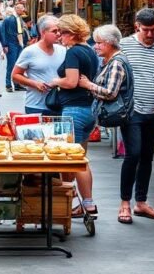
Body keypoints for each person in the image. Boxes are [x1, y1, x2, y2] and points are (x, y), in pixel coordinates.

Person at [119, 7, 154, 221]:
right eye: (146, 30)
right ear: (136, 27)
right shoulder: (124, 46)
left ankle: (140, 201)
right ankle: (124, 203)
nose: (150, 34)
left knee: (147, 156)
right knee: (132, 154)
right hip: (132, 110)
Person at [78, 24, 134, 223]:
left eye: (99, 43)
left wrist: (87, 85)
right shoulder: (110, 60)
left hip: (121, 114)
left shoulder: (117, 63)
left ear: (110, 43)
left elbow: (111, 92)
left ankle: (127, 202)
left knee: (133, 155)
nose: (95, 46)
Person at [50, 14, 99, 217]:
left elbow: (71, 81)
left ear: (71, 34)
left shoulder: (73, 53)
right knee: (81, 158)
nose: (60, 37)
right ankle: (85, 203)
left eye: (61, 33)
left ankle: (86, 204)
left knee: (75, 161)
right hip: (89, 109)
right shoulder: (90, 51)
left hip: (73, 111)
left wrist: (55, 81)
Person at [12, 15, 65, 115]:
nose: (58, 34)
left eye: (59, 31)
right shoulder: (30, 51)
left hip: (58, 104)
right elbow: (15, 75)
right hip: (35, 106)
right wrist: (35, 84)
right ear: (43, 32)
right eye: (54, 31)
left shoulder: (63, 50)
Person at [2, 4, 29, 92]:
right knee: (12, 65)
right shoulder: (11, 19)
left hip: (15, 44)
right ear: (16, 9)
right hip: (12, 44)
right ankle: (9, 84)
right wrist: (5, 45)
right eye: (22, 8)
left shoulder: (16, 18)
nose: (23, 10)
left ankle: (16, 84)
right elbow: (6, 32)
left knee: (16, 65)